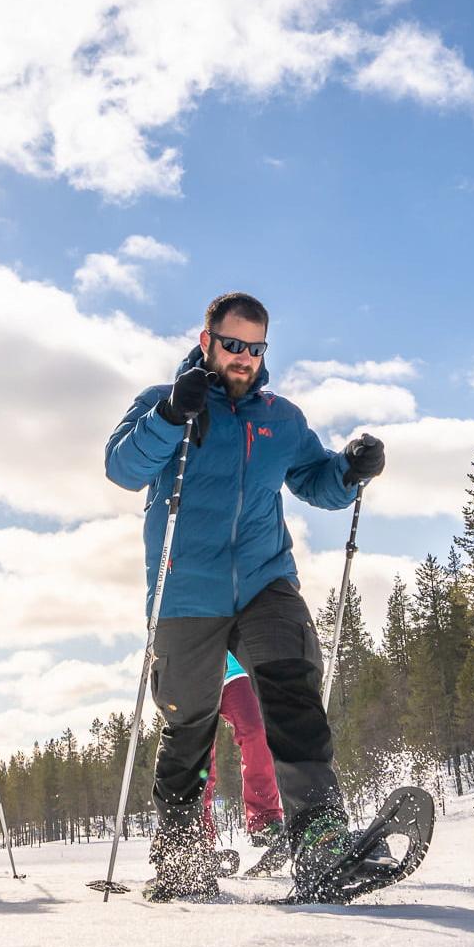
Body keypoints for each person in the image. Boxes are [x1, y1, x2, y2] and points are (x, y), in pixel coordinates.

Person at [105, 292, 386, 902]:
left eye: (256, 349)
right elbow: (123, 468)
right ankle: (182, 856)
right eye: (234, 345)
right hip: (185, 589)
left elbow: (316, 480)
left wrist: (350, 471)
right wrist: (172, 417)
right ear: (206, 340)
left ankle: (321, 840)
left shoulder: (280, 418)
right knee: (189, 722)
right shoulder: (163, 400)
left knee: (291, 689)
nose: (245, 359)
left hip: (265, 579)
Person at [200, 652, 286, 871]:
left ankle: (264, 820)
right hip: (193, 671)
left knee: (257, 731)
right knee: (197, 751)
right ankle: (198, 835)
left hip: (234, 670)